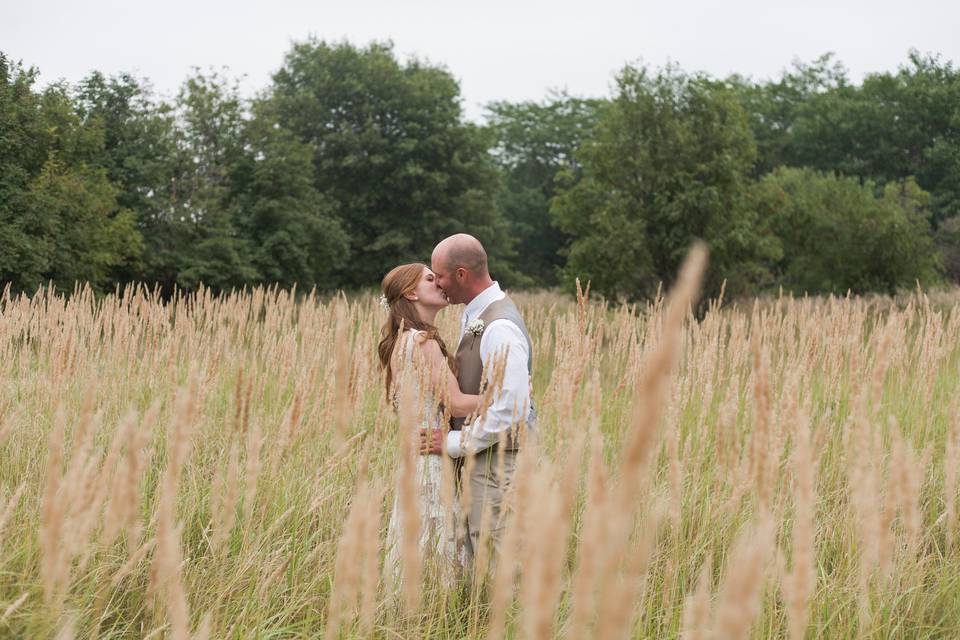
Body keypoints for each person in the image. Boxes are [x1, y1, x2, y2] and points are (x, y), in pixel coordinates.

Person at [425, 233, 537, 568]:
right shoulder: (478, 315)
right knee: (481, 551)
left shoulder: (499, 326)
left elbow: (511, 408)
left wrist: (455, 442)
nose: (437, 283)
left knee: (501, 558)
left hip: (500, 463)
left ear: (461, 274)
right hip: (486, 460)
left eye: (440, 275)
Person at [378, 262, 478, 586]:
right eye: (430, 279)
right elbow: (458, 403)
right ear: (411, 292)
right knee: (436, 543)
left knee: (418, 540)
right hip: (432, 458)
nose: (439, 283)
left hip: (414, 459)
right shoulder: (422, 341)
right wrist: (509, 399)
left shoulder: (401, 341)